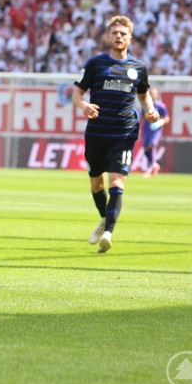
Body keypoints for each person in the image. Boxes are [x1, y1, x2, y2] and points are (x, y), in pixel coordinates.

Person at [72, 15, 160, 254]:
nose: (119, 37)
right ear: (108, 37)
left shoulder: (138, 68)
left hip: (124, 131)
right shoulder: (95, 64)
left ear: (130, 38)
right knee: (95, 183)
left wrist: (150, 111)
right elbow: (77, 94)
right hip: (97, 132)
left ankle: (108, 233)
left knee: (117, 181)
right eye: (115, 33)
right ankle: (104, 219)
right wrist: (85, 106)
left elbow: (144, 95)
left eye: (123, 33)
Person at [141, 87, 169, 178]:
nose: (152, 95)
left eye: (154, 93)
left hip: (155, 131)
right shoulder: (145, 106)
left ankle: (149, 169)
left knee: (152, 145)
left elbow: (167, 118)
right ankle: (155, 165)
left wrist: (159, 122)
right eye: (151, 93)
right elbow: (141, 118)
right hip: (146, 130)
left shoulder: (161, 106)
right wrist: (138, 129)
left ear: (157, 95)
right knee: (145, 150)